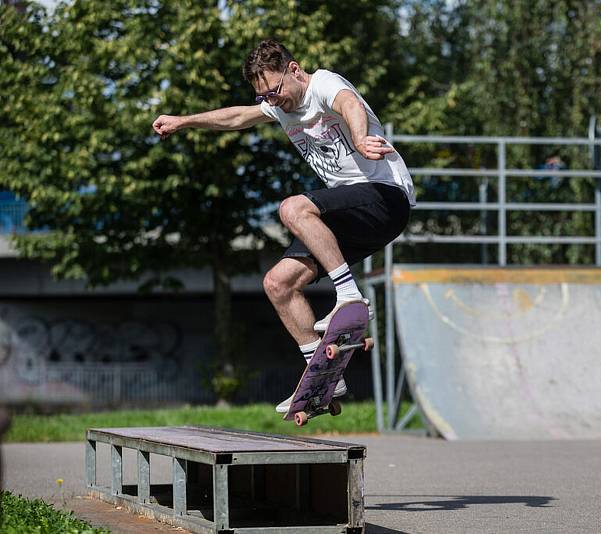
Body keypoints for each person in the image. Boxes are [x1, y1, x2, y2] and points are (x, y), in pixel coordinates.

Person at [152, 39, 415, 413]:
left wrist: (359, 137)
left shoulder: (323, 84)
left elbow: (350, 104)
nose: (274, 102)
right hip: (351, 213)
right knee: (278, 284)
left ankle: (350, 295)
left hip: (386, 197)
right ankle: (323, 374)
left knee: (293, 208)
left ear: (294, 70)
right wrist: (185, 121)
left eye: (275, 92)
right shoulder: (278, 107)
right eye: (266, 97)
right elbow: (237, 117)